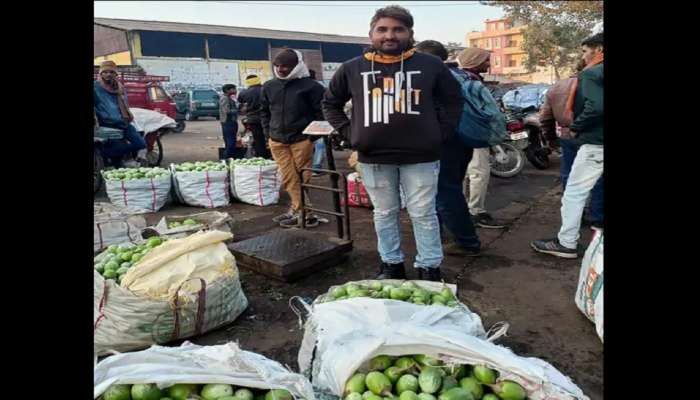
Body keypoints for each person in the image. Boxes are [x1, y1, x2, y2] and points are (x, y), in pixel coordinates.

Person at [322, 5, 464, 281]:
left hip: (422, 156)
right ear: (371, 33)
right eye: (382, 29)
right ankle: (391, 264)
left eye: (398, 29)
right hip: (374, 156)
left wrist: (441, 132)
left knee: (423, 213)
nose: (390, 35)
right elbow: (331, 103)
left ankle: (429, 267)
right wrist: (350, 133)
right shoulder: (352, 68)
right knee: (384, 213)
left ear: (410, 33)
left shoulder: (431, 65)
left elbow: (453, 101)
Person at [531, 32, 604, 258]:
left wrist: (576, 126)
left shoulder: (591, 74)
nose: (584, 56)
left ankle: (567, 242)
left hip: (595, 141)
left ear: (598, 49)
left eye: (585, 51)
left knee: (573, 191)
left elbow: (597, 107)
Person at [415, 39, 481, 257]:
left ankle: (467, 241)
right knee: (449, 188)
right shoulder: (463, 75)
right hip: (465, 139)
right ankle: (440, 234)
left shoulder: (435, 77)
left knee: (445, 192)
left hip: (444, 141)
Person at [261, 49, 326, 228]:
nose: (281, 69)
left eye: (286, 66)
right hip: (277, 140)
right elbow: (264, 112)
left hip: (301, 140)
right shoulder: (269, 86)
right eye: (278, 66)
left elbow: (322, 114)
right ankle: (304, 212)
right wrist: (268, 133)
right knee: (288, 176)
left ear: (297, 66)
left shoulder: (312, 87)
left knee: (301, 176)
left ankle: (299, 211)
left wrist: (311, 137)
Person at [539, 58, 604, 229]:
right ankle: (597, 216)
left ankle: (575, 215)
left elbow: (546, 117)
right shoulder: (595, 82)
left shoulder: (557, 86)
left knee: (569, 175)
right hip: (593, 135)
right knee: (598, 177)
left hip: (568, 135)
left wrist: (551, 139)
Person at [457, 48, 506, 229]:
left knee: (461, 174)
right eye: (486, 60)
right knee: (479, 173)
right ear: (475, 61)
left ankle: (461, 210)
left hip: (458, 134)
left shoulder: (457, 78)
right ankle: (476, 212)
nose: (488, 64)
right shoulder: (472, 82)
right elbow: (491, 113)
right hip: (475, 133)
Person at [93, 60, 146, 168]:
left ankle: (106, 155)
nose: (108, 74)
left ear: (115, 74)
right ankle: (109, 160)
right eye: (105, 72)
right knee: (117, 153)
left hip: (123, 122)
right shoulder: (95, 87)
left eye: (111, 72)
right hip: (106, 124)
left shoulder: (119, 87)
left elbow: (125, 104)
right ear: (101, 73)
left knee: (140, 143)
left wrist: (126, 115)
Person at [238, 75, 271, 159]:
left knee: (258, 139)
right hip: (268, 118)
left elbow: (240, 102)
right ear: (258, 80)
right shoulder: (266, 89)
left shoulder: (244, 92)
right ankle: (273, 156)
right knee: (272, 138)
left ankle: (262, 157)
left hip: (253, 119)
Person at [219, 84, 245, 159]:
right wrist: (239, 110)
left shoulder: (229, 98)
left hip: (231, 122)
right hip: (228, 122)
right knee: (230, 143)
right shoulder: (225, 98)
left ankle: (229, 158)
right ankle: (227, 158)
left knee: (231, 141)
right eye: (234, 89)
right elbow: (226, 111)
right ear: (228, 90)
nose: (236, 91)